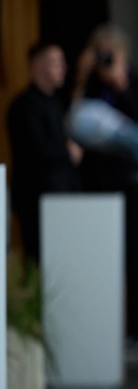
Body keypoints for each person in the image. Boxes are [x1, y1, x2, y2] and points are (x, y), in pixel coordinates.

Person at [75, 23, 138, 347]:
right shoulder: (90, 87)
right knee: (98, 258)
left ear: (124, 53)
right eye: (101, 53)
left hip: (132, 183)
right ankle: (100, 334)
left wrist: (120, 85)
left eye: (111, 53)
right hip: (97, 183)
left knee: (133, 258)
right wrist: (82, 77)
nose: (106, 60)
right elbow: (73, 121)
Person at [6, 42, 81, 260]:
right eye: (56, 63)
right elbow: (35, 151)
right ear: (38, 66)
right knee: (38, 260)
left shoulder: (55, 103)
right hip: (35, 201)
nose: (63, 68)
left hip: (60, 198)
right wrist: (68, 152)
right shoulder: (23, 106)